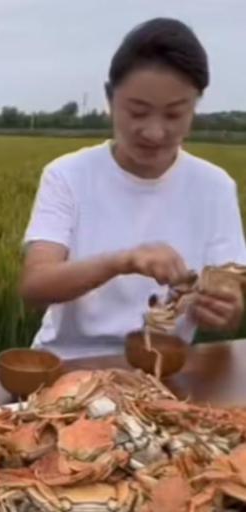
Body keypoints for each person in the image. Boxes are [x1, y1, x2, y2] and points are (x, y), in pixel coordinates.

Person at [20, 17, 246, 360]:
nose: (154, 132)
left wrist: (225, 312)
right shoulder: (67, 175)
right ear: (110, 99)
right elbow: (35, 287)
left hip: (164, 369)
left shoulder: (214, 187)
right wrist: (122, 261)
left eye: (173, 115)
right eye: (137, 112)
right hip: (67, 365)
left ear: (195, 106)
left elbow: (230, 302)